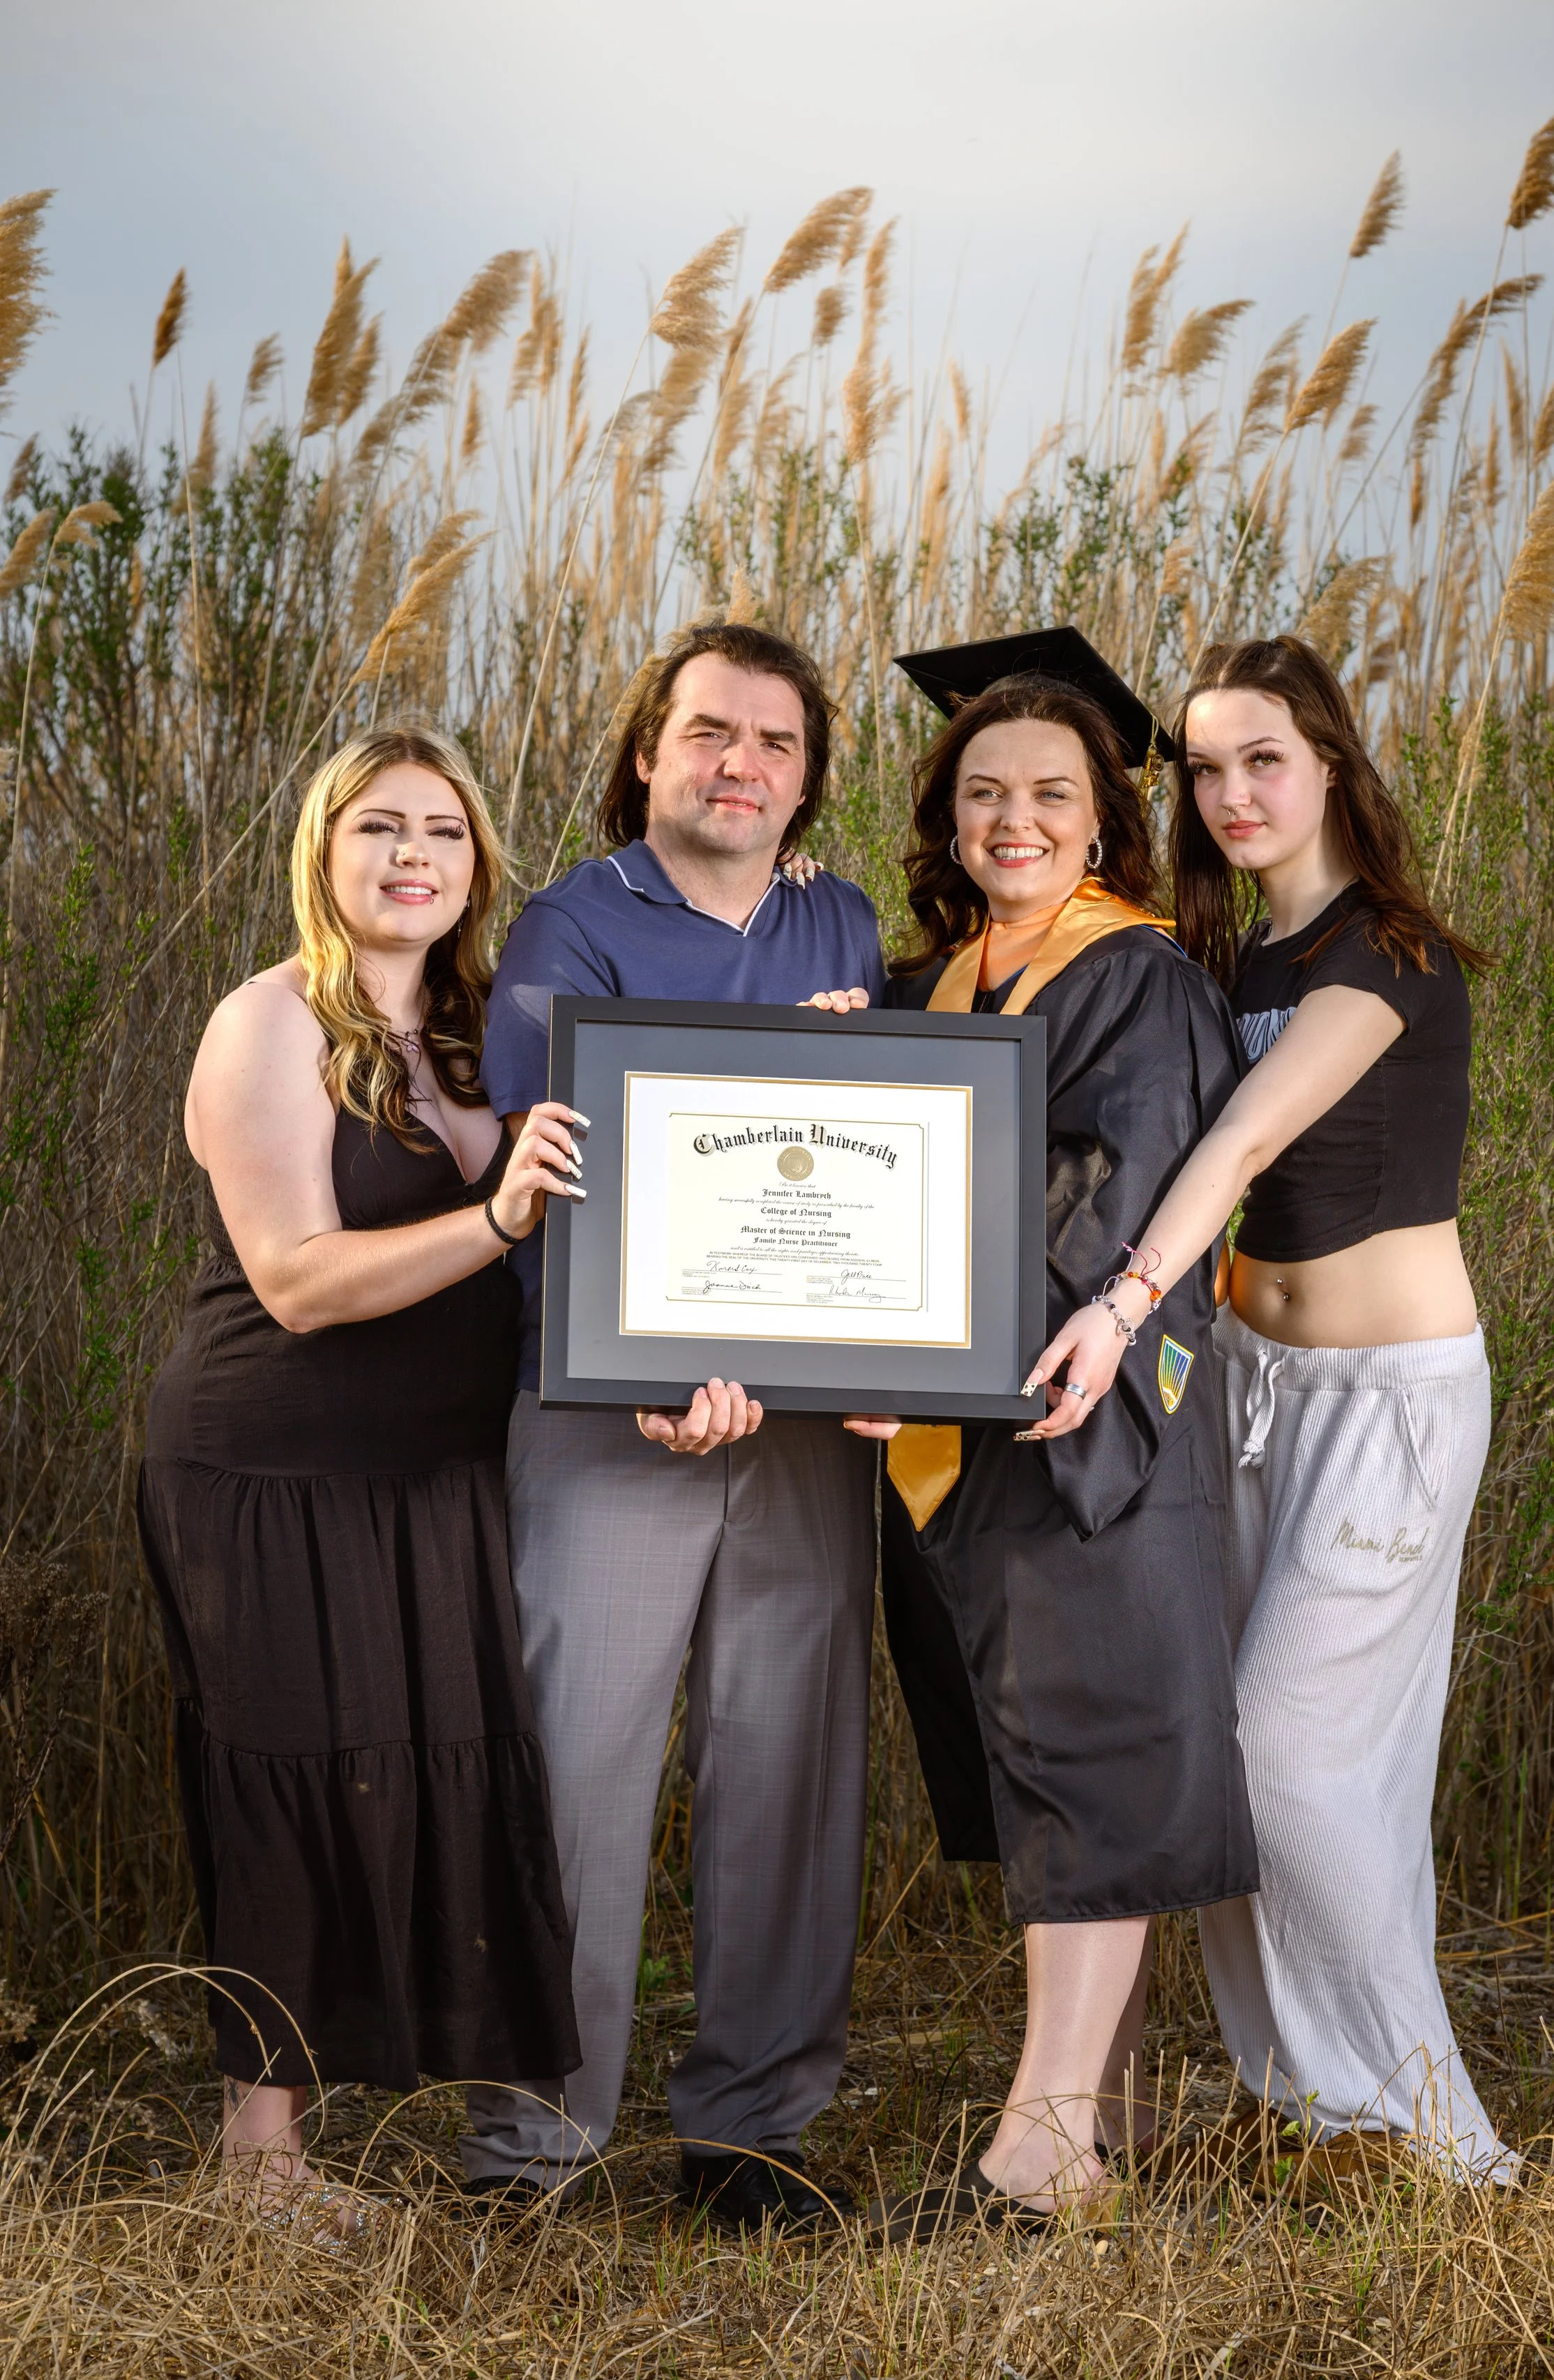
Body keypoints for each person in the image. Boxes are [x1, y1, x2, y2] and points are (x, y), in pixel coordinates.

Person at [1029, 633, 1515, 2179]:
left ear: (1327, 766)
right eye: (1205, 765)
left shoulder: (1386, 948)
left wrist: (1117, 1305)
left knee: (1284, 1752)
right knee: (1216, 1757)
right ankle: (1311, 2107)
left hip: (1388, 1401)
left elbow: (1237, 1145)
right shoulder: (1216, 958)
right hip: (1247, 1390)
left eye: (1263, 759)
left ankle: (1436, 2132)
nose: (1232, 791)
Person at [827, 628, 1258, 2231]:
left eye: (1048, 795)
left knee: (1094, 1766)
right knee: (1052, 1769)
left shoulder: (1134, 973)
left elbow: (1116, 1211)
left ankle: (1044, 2141)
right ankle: (1096, 2122)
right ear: (946, 817)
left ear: (1102, 821)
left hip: (1081, 1444)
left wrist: (935, 1369)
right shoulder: (927, 981)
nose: (1012, 819)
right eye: (982, 793)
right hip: (966, 1450)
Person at [462, 621, 885, 2228]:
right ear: (648, 749)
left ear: (804, 778)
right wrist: (647, 1373)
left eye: (773, 743)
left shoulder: (838, 917)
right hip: (609, 1416)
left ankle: (752, 2134)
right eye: (709, 732)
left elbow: (884, 1174)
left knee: (791, 1764)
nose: (739, 765)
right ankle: (531, 2144)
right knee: (579, 1771)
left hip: (797, 1434)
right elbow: (553, 1174)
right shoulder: (571, 926)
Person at [136, 725, 584, 2230]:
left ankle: (346, 2129)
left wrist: (820, 1031)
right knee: (290, 1781)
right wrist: (499, 1223)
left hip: (437, 1469)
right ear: (322, 854)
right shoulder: (265, 1023)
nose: (413, 857)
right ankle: (258, 2172)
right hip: (272, 1462)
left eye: (444, 833)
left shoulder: (488, 1034)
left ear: (478, 863)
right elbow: (301, 1279)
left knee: (406, 1770)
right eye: (380, 828)